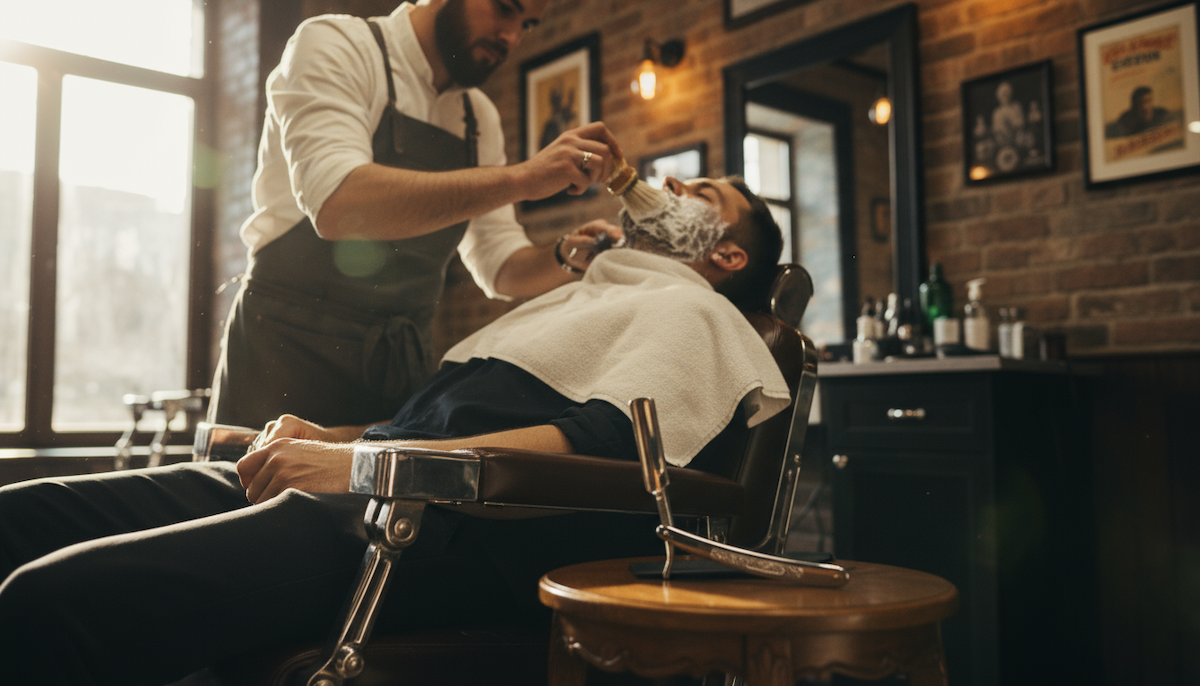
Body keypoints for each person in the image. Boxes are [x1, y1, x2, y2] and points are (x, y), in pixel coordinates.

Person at [0, 177, 786, 686]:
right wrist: (337, 438)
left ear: (726, 252)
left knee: (43, 607)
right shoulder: (579, 301)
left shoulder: (695, 316)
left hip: (431, 529)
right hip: (371, 481)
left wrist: (362, 465)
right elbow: (424, 423)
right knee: (19, 520)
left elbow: (603, 445)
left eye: (705, 189)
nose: (674, 180)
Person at [211, 0, 626, 430]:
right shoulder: (336, 45)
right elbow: (340, 204)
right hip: (282, 359)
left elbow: (499, 265)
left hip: (397, 376)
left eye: (528, 25)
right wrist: (521, 179)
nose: (512, 37)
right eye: (505, 9)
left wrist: (567, 255)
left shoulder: (477, 116)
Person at [1106, 85, 1173, 138]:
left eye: (1148, 101)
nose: (1145, 106)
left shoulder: (1162, 113)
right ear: (1134, 105)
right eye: (1141, 103)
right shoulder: (1126, 120)